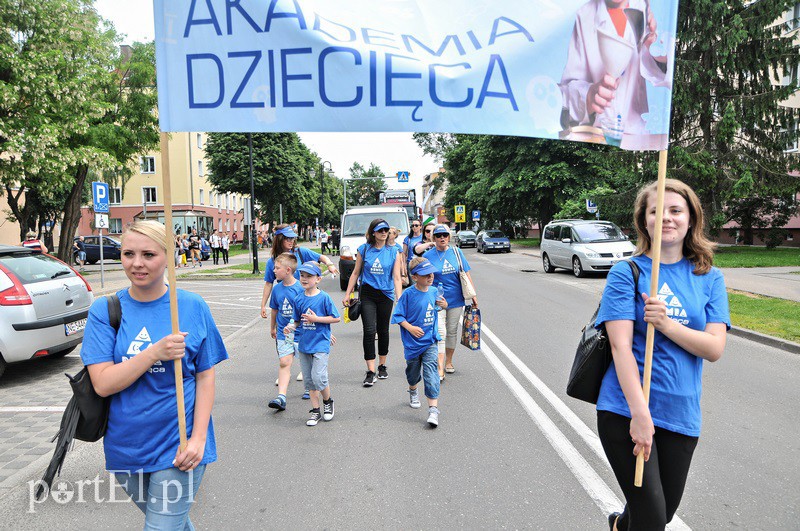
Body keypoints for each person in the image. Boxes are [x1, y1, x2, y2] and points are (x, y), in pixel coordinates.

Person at [596, 179, 729, 531]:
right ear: (644, 220)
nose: (666, 218)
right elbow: (619, 346)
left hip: (682, 412)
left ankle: (618, 526)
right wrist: (640, 416)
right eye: (656, 210)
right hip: (627, 410)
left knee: (661, 513)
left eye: (675, 210)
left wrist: (667, 325)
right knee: (653, 522)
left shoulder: (709, 278)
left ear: (691, 219)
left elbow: (714, 348)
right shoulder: (628, 272)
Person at [79, 220, 228, 529]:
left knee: (161, 526)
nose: (137, 263)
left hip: (179, 446)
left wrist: (198, 438)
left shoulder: (191, 306)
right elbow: (103, 384)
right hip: (126, 447)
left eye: (148, 254)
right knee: (172, 523)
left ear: (168, 255)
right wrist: (153, 354)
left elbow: (205, 375)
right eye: (128, 254)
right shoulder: (105, 310)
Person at [559, 0, 671, 137]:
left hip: (635, 136)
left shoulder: (646, 9)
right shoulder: (585, 14)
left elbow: (669, 76)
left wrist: (656, 48)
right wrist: (587, 97)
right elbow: (563, 98)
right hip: (595, 137)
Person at [342, 219, 403, 387]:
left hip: (386, 295)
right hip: (368, 294)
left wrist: (400, 299)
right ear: (373, 233)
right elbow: (355, 273)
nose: (384, 232)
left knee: (383, 330)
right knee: (369, 331)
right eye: (380, 230)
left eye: (385, 230)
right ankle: (370, 371)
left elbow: (397, 277)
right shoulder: (364, 249)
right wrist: (348, 293)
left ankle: (382, 365)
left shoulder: (394, 251)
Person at [391, 257, 447, 427]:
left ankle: (433, 410)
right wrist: (411, 328)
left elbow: (439, 307)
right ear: (415, 277)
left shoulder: (434, 291)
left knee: (431, 375)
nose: (430, 277)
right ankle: (413, 390)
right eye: (425, 275)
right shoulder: (408, 294)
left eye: (431, 274)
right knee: (413, 373)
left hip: (430, 341)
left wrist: (444, 304)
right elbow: (398, 316)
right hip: (412, 344)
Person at [284, 261, 341, 426]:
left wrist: (316, 320)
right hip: (304, 345)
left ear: (318, 279)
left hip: (320, 344)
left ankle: (328, 401)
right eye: (302, 275)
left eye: (309, 276)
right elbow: (296, 321)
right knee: (309, 380)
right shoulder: (298, 299)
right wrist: (290, 327)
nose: (304, 279)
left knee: (319, 377)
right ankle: (315, 411)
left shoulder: (324, 298)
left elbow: (335, 317)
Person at [423, 224, 478, 381]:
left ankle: (449, 361)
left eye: (445, 235)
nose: (442, 238)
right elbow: (423, 277)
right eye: (439, 235)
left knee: (452, 330)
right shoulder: (428, 256)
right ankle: (439, 367)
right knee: (441, 332)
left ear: (449, 237)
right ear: (433, 238)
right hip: (437, 300)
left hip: (456, 299)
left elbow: (466, 273)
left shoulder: (457, 252)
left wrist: (473, 294)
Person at [260, 224, 338, 324]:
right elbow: (268, 283)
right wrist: (263, 305)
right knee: (288, 329)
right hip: (287, 303)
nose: (291, 241)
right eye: (288, 239)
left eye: (292, 238)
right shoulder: (272, 261)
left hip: (304, 299)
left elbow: (321, 257)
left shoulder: (300, 252)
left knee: (308, 327)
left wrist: (329, 264)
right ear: (279, 239)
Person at [268, 253, 306, 411]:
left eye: (277, 268)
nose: (274, 270)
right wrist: (272, 327)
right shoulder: (277, 289)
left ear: (288, 270)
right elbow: (274, 310)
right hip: (284, 333)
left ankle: (310, 387)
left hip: (301, 332)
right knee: (284, 362)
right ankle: (281, 397)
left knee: (306, 362)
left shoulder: (300, 289)